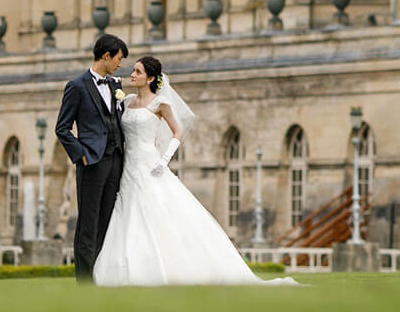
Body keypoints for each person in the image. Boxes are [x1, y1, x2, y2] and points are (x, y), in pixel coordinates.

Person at [92, 55, 296, 286]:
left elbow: (177, 132)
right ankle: (123, 265)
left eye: (138, 72)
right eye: (133, 71)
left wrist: (164, 160)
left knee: (155, 209)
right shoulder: (126, 102)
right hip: (129, 165)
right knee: (128, 210)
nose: (132, 75)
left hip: (150, 163)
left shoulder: (160, 104)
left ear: (150, 78)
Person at [55, 34, 128, 281]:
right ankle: (84, 282)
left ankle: (102, 275)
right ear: (106, 56)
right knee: (88, 224)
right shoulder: (76, 86)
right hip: (92, 163)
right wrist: (81, 156)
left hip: (116, 161)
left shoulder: (116, 85)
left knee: (107, 222)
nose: (120, 64)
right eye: (118, 59)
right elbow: (62, 128)